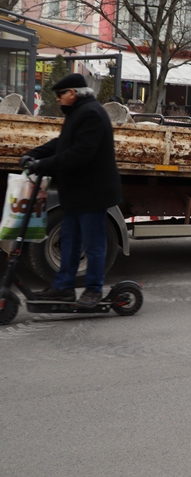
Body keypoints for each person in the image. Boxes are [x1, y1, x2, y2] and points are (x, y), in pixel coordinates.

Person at [21, 73, 121, 308]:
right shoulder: (79, 113)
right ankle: (63, 288)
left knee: (94, 244)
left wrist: (42, 165)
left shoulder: (92, 114)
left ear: (72, 93)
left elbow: (80, 154)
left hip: (92, 193)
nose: (58, 99)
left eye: (60, 95)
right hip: (77, 192)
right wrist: (35, 154)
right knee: (69, 241)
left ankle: (94, 291)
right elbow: (61, 143)